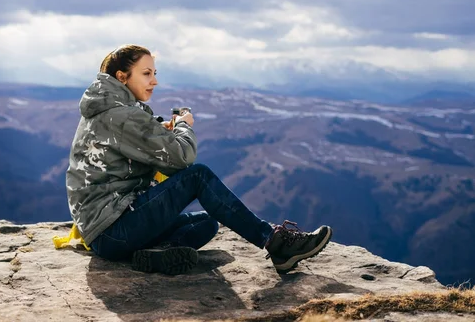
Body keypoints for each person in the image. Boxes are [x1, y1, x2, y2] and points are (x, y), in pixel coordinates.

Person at [66, 44, 332, 275]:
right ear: (122, 77)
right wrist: (183, 126)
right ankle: (276, 243)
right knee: (198, 175)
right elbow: (182, 158)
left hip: (107, 231)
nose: (154, 81)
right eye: (146, 73)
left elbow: (130, 147)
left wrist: (159, 131)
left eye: (154, 73)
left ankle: (155, 255)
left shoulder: (109, 110)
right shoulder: (121, 115)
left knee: (206, 222)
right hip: (113, 227)